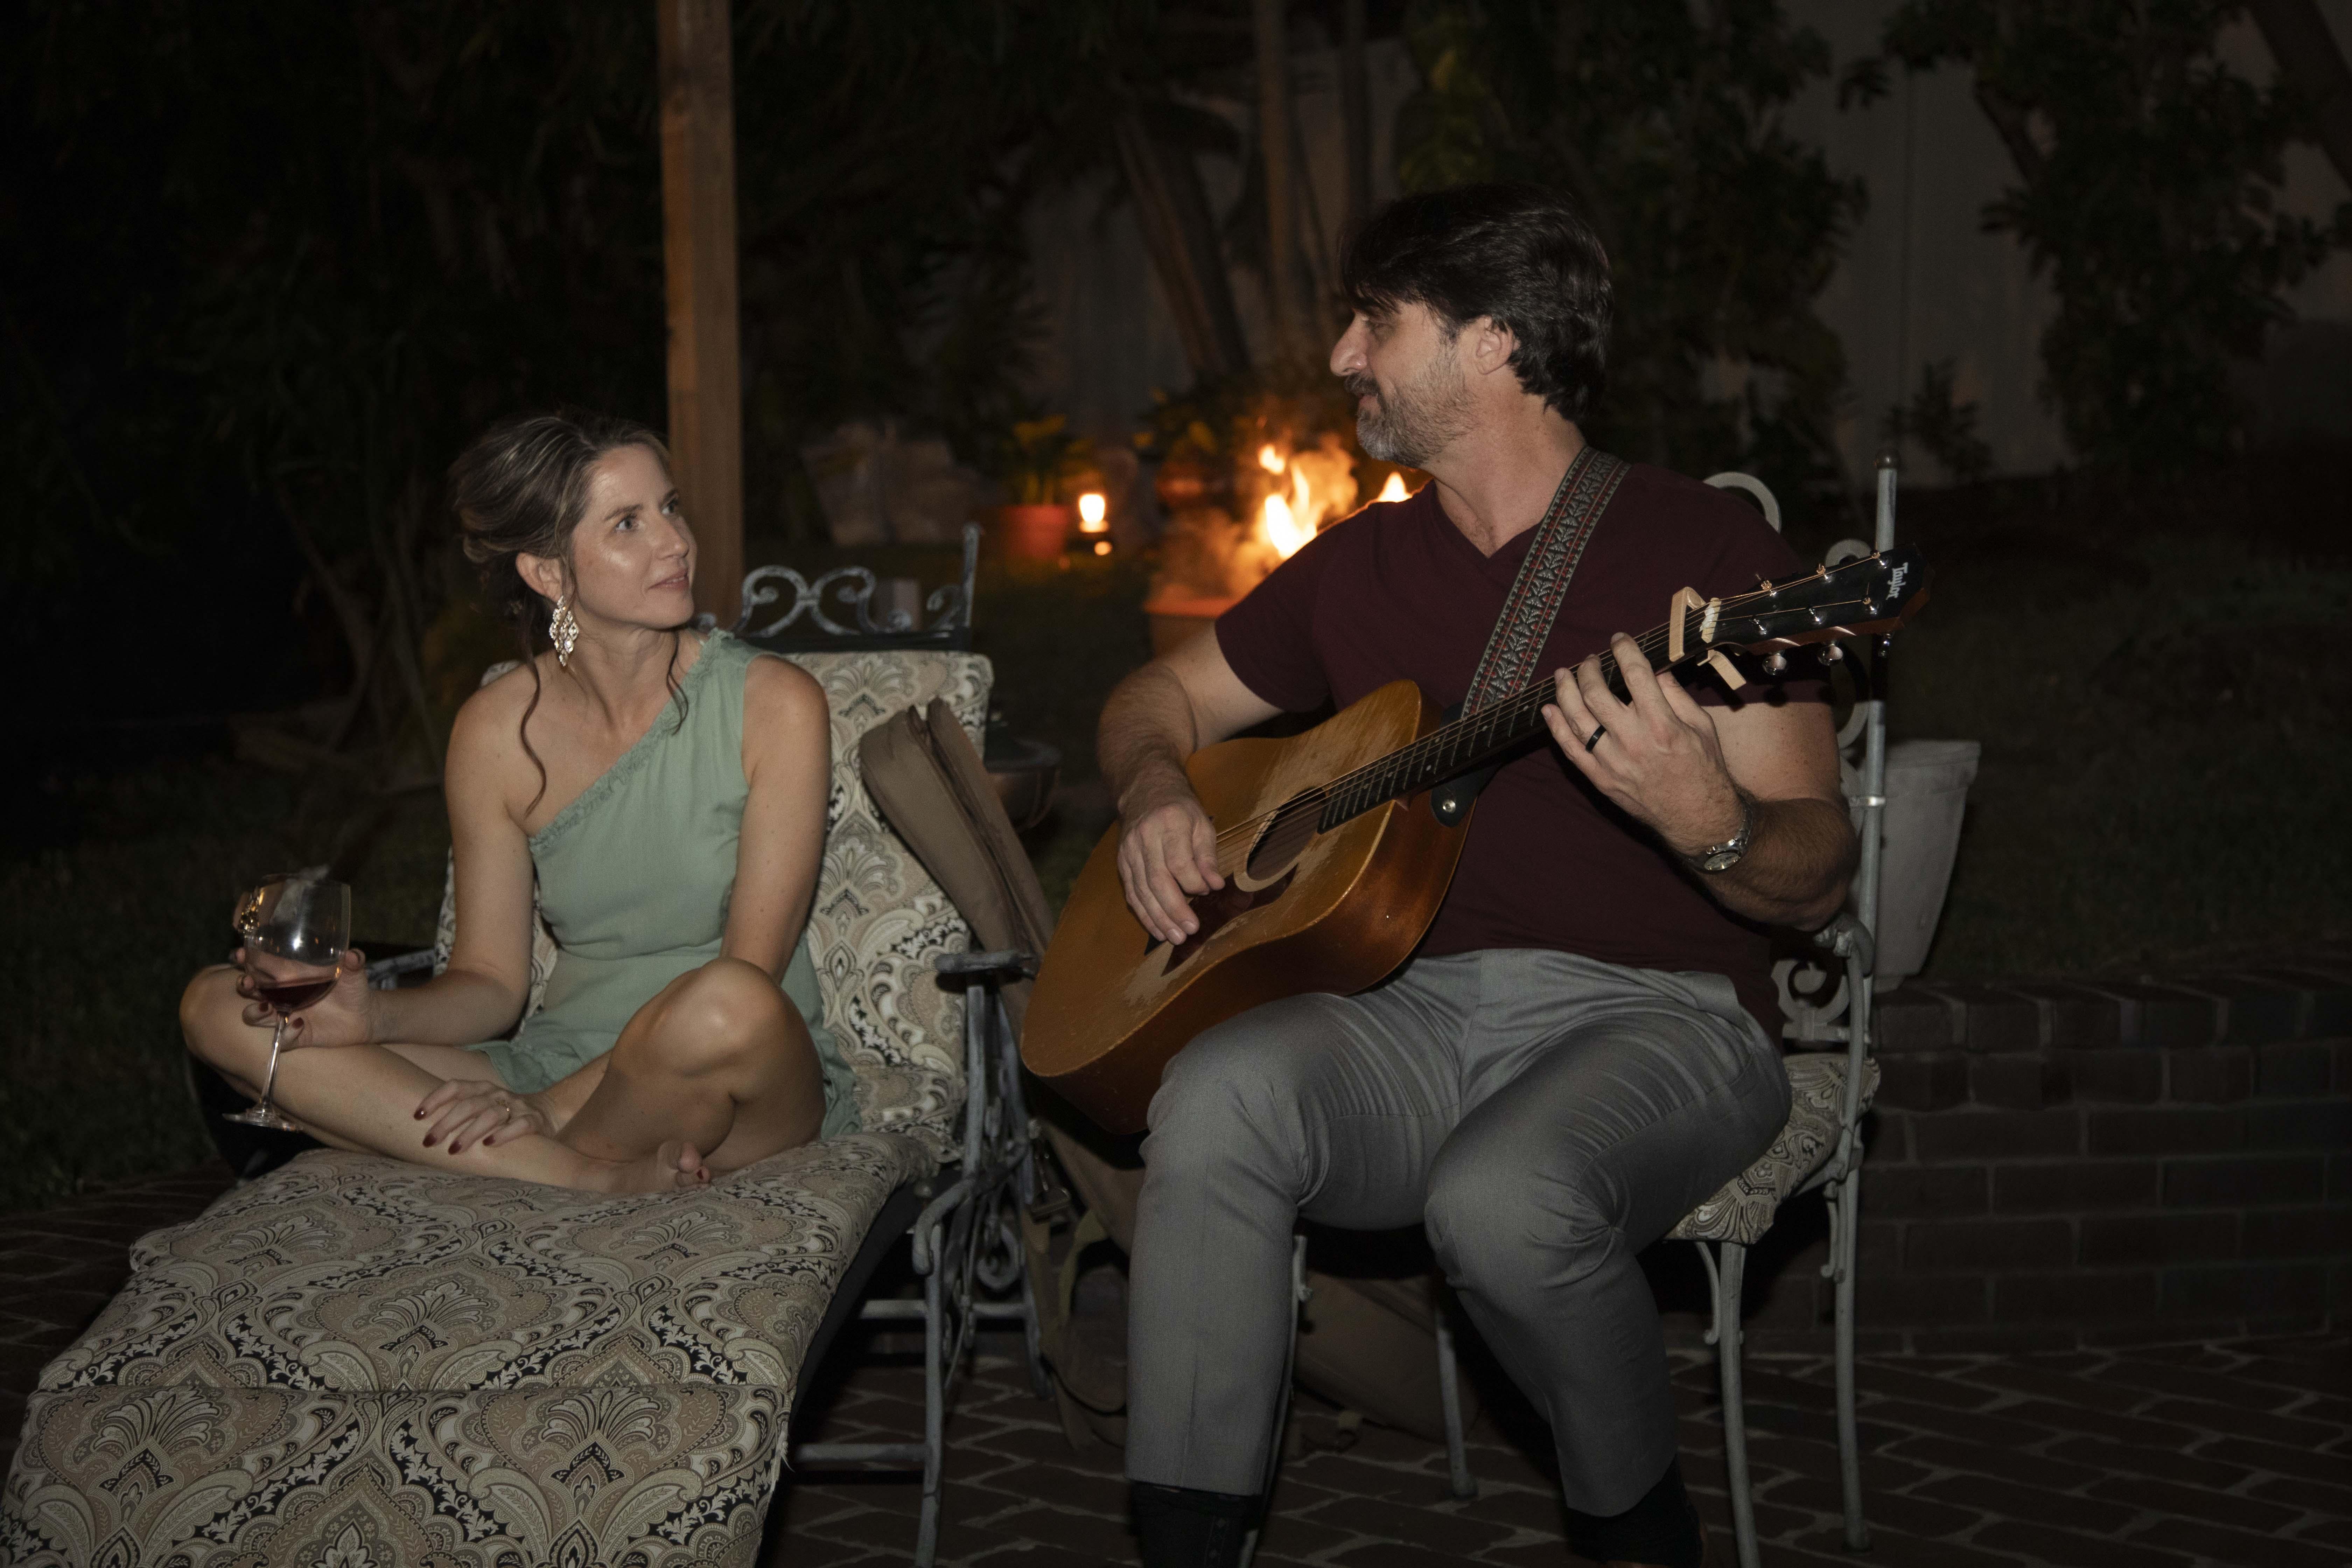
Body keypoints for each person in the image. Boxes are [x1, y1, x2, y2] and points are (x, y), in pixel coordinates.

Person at [1099, 184, 1856, 1568]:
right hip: (1406, 1011)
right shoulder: (1357, 565)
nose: (1344, 356)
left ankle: (1642, 1534)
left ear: (1494, 340)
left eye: (1374, 322)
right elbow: (1155, 696)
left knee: (1503, 1198)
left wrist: (1714, 821)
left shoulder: (1707, 561)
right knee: (1212, 1098)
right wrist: (1156, 787)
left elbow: (1814, 875)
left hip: (1662, 1016)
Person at [181, 412, 861, 1194]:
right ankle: (585, 1178)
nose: (675, 541)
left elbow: (754, 970)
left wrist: (542, 1108)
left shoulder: (774, 704)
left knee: (728, 1001)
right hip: (555, 1060)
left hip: (735, 1071)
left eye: (670, 507)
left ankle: (515, 1162)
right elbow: (491, 982)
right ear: (547, 573)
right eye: (628, 523)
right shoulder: (497, 731)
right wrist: (375, 1017)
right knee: (215, 1007)